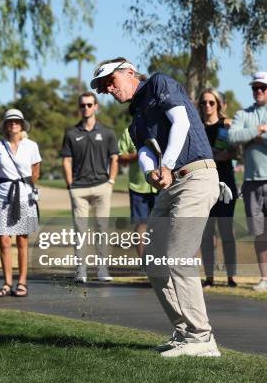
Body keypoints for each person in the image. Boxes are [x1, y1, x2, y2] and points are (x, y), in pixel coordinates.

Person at [91, 57, 224, 357]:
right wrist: (153, 170)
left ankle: (203, 338)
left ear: (129, 72)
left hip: (196, 175)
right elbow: (143, 150)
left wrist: (165, 164)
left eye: (111, 81)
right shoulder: (136, 114)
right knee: (152, 257)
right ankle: (184, 331)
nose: (109, 89)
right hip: (171, 183)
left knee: (177, 256)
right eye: (103, 87)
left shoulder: (158, 83)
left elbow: (181, 121)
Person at [228, 71, 267, 292]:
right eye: (255, 88)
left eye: (263, 88)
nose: (258, 91)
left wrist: (256, 138)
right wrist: (260, 130)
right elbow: (232, 137)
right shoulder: (243, 114)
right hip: (251, 182)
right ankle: (265, 278)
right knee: (259, 233)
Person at [61, 91, 119, 283]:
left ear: (96, 107)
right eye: (82, 105)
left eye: (89, 105)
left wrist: (111, 182)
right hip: (79, 189)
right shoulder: (71, 133)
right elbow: (67, 161)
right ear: (79, 108)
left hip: (103, 186)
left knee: (102, 229)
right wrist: (70, 185)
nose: (85, 108)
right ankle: (81, 271)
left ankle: (102, 270)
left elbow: (114, 159)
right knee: (80, 231)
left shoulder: (108, 132)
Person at [0, 109, 41, 298]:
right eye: (9, 121)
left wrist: (25, 187)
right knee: (4, 240)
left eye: (16, 121)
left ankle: (22, 282)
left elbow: (35, 172)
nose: (13, 124)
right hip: (5, 195)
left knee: (22, 240)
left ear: (21, 125)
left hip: (25, 195)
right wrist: (8, 184)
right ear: (5, 125)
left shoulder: (31, 146)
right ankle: (6, 282)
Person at [197, 88, 238, 288]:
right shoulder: (196, 127)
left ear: (218, 105)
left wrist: (218, 154)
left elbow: (230, 153)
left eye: (211, 103)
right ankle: (209, 277)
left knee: (226, 230)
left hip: (226, 184)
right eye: (204, 103)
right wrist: (215, 154)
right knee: (207, 233)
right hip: (204, 184)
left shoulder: (227, 125)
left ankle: (231, 277)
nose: (207, 106)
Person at [118, 128, 157, 258]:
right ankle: (144, 265)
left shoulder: (160, 127)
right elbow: (121, 157)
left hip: (160, 185)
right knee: (141, 225)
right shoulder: (128, 131)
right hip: (138, 187)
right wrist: (139, 154)